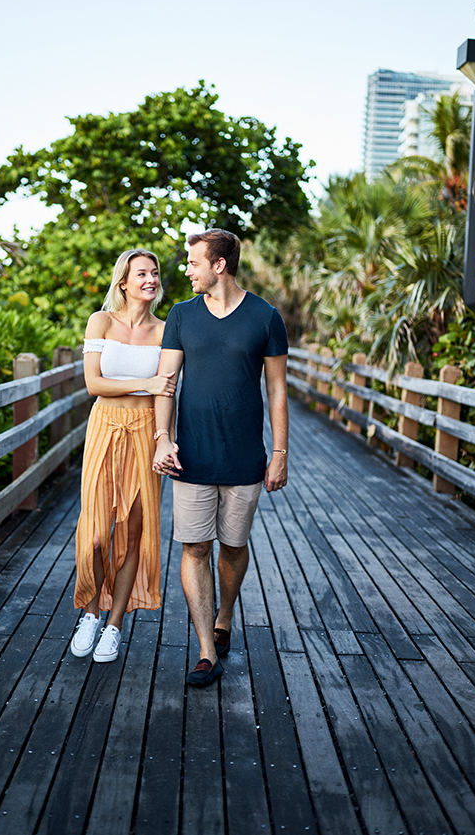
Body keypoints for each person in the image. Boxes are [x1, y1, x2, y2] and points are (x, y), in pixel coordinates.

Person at [152, 229, 289, 687]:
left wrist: (280, 453)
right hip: (190, 456)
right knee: (195, 547)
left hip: (245, 456)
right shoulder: (180, 315)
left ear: (219, 265)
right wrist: (161, 437)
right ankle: (206, 651)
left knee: (232, 547)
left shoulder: (265, 317)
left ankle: (224, 615)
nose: (186, 270)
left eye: (193, 262)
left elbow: (277, 390)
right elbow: (165, 383)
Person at [70, 249, 176, 663]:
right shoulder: (101, 321)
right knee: (96, 532)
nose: (150, 279)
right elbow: (93, 384)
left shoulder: (166, 331)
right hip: (104, 428)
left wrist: (164, 436)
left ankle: (114, 624)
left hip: (146, 432)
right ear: (124, 282)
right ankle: (91, 613)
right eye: (142, 273)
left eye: (154, 273)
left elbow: (168, 391)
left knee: (134, 532)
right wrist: (146, 383)